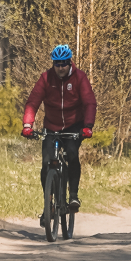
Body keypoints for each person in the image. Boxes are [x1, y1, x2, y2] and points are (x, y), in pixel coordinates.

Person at [22, 44, 96, 213]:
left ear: (69, 63)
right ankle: (48, 206)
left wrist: (88, 126)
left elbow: (89, 102)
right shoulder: (46, 78)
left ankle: (74, 195)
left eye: (64, 63)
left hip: (74, 127)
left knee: (71, 154)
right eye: (57, 64)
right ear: (53, 64)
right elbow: (33, 102)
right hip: (51, 126)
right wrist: (28, 125)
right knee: (46, 164)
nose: (60, 67)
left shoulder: (79, 78)